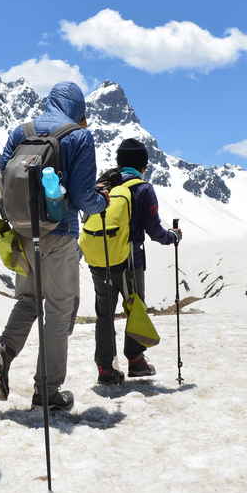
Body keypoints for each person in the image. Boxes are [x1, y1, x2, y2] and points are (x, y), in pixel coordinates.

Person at [0, 83, 106, 412]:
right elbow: (82, 198)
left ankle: (2, 351)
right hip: (59, 233)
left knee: (27, 301)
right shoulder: (78, 137)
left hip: (22, 233)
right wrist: (101, 201)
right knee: (58, 310)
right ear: (79, 110)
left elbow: (0, 176)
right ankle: (47, 391)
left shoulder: (20, 132)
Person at [89, 139, 182, 384]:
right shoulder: (142, 188)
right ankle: (136, 361)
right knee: (135, 307)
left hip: (100, 257)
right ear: (143, 165)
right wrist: (172, 238)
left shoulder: (103, 185)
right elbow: (154, 230)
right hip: (131, 260)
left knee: (104, 314)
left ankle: (105, 369)